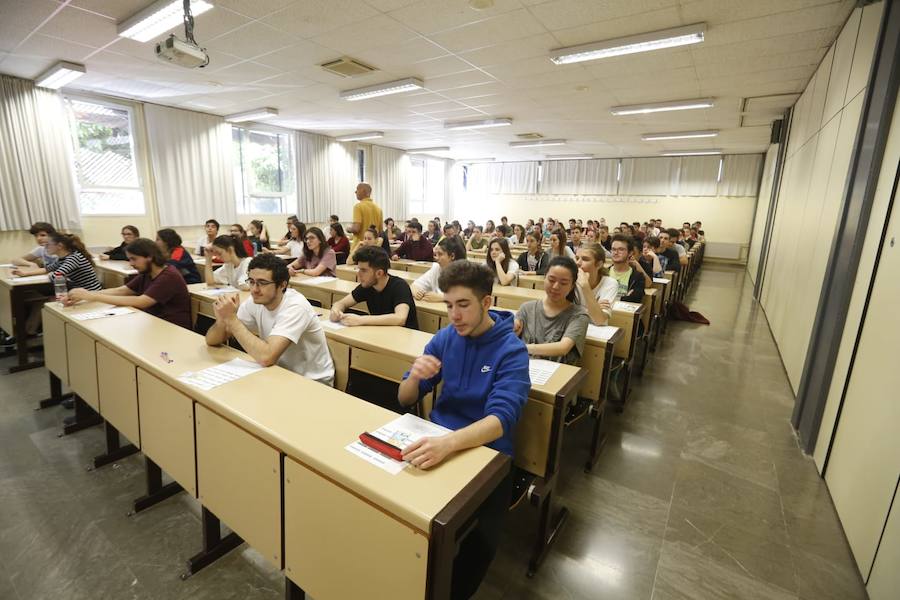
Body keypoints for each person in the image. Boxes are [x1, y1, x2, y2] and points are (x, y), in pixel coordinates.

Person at [397, 260, 529, 600]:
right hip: (438, 441)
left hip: (489, 457)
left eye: (463, 305)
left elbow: (501, 419)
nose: (454, 315)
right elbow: (404, 398)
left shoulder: (511, 351)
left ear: (486, 303)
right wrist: (414, 376)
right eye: (449, 305)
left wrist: (448, 443)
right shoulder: (445, 338)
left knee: (478, 544)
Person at [204, 253, 334, 385]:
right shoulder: (255, 301)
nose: (254, 289)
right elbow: (211, 340)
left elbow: (266, 357)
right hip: (278, 372)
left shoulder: (296, 307)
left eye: (262, 283)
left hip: (312, 381)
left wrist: (231, 319)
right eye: (251, 281)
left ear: (282, 285)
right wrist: (223, 320)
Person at [66, 238, 192, 330]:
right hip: (152, 321)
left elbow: (141, 301)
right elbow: (123, 290)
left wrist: (93, 297)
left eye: (134, 259)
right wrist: (86, 295)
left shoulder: (168, 275)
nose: (131, 263)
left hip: (172, 328)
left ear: (150, 257)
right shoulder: (146, 272)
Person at [513, 256, 590, 365]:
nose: (555, 287)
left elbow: (563, 348)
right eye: (551, 280)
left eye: (563, 283)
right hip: (521, 367)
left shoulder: (579, 315)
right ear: (544, 278)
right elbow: (513, 331)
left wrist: (522, 347)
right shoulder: (527, 308)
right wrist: (512, 329)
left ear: (572, 286)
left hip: (555, 373)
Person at [329, 246, 418, 329]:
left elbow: (400, 318)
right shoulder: (367, 285)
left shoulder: (399, 286)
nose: (358, 274)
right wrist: (336, 311)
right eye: (359, 269)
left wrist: (361, 320)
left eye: (363, 270)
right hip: (381, 334)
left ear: (379, 273)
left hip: (403, 338)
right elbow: (341, 303)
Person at [411, 236, 467, 303]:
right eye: (436, 254)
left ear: (452, 256)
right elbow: (414, 285)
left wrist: (444, 298)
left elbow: (467, 297)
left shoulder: (466, 272)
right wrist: (417, 292)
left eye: (440, 254)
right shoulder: (436, 268)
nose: (436, 258)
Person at [574, 243, 618, 325]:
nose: (578, 263)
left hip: (597, 333)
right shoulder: (570, 281)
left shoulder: (610, 284)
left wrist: (585, 286)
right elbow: (564, 315)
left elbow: (599, 320)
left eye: (585, 259)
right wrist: (593, 307)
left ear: (599, 264)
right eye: (577, 258)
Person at [608, 235, 646, 303]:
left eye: (621, 249)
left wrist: (609, 299)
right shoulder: (603, 273)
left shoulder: (637, 277)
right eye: (613, 249)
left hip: (623, 312)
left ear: (630, 253)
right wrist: (625, 297)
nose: (616, 253)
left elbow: (635, 299)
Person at [349, 182, 383, 252]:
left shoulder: (358, 206)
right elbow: (380, 231)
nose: (355, 192)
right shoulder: (379, 209)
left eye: (357, 189)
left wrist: (348, 229)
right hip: (373, 248)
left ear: (363, 191)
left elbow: (356, 229)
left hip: (359, 247)